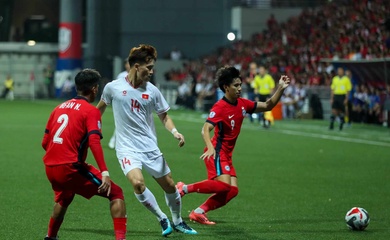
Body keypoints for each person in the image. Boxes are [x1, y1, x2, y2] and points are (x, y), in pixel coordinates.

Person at [97, 44, 197, 236]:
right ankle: (162, 218)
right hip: (126, 148)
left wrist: (175, 132)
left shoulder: (152, 91)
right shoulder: (113, 88)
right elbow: (99, 109)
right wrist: (90, 127)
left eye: (152, 68)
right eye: (148, 68)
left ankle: (177, 220)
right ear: (136, 66)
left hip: (149, 146)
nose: (151, 72)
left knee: (169, 184)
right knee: (138, 184)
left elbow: (164, 116)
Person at [176, 66, 290, 225]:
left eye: (240, 85)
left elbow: (268, 105)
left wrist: (280, 89)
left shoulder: (243, 104)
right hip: (216, 151)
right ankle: (183, 188)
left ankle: (198, 212)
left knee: (233, 190)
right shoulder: (220, 107)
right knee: (223, 186)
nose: (239, 88)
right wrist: (209, 147)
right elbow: (205, 129)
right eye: (236, 85)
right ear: (226, 87)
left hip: (227, 154)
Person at [41, 69, 127, 240]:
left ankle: (50, 237)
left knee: (65, 198)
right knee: (116, 193)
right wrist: (104, 172)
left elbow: (45, 142)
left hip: (50, 167)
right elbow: (94, 142)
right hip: (70, 167)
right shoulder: (91, 111)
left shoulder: (58, 108)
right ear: (95, 89)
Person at [108, 59, 131, 149]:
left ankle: (118, 141)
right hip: (121, 101)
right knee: (121, 122)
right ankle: (113, 140)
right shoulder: (122, 75)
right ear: (125, 65)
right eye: (128, 64)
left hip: (131, 101)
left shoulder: (136, 75)